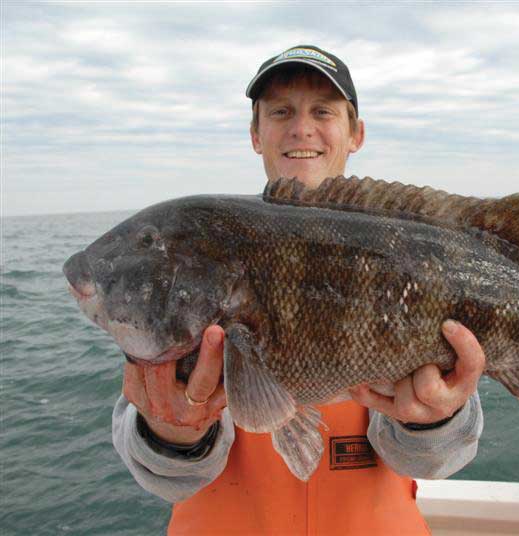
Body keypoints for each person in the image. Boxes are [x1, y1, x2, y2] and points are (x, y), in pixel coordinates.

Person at [112, 45, 486, 535]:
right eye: (281, 111)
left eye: (323, 112)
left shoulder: (410, 262)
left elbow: (435, 461)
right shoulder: (200, 260)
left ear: (356, 134)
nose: (301, 128)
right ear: (255, 133)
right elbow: (166, 478)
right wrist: (170, 431)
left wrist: (433, 419)